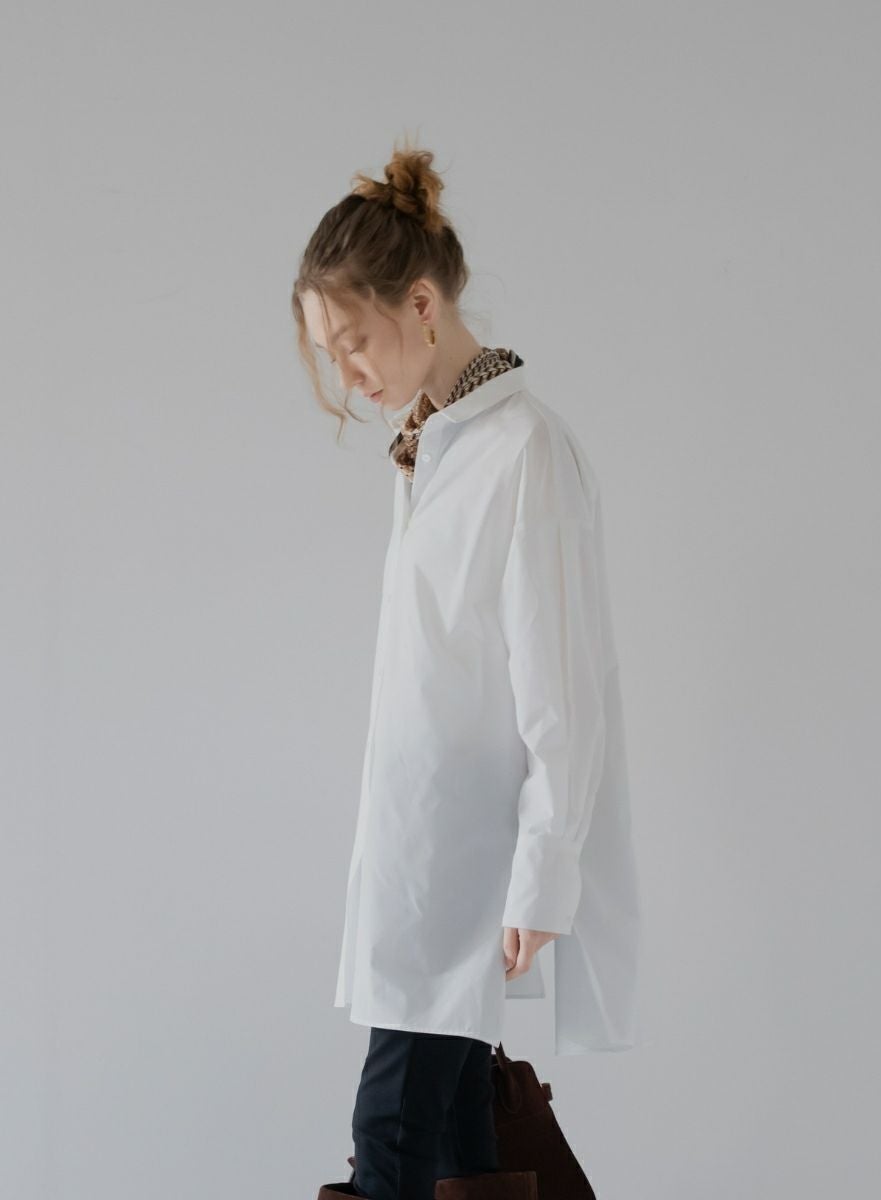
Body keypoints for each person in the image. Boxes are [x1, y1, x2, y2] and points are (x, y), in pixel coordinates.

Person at [291, 139, 642, 1200]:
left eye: (353, 341)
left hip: (466, 868)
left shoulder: (522, 450)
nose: (348, 374)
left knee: (393, 1133)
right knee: (451, 1139)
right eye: (329, 354)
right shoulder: (432, 450)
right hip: (420, 860)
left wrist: (546, 867)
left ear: (422, 303)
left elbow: (559, 685)